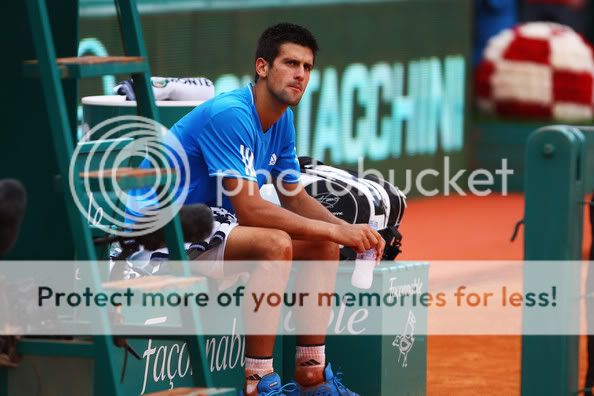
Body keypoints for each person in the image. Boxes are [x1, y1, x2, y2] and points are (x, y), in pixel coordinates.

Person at [133, 23, 385, 395]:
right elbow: (251, 210)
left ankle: (312, 378)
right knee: (275, 244)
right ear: (263, 67)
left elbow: (293, 196)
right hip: (156, 234)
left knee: (322, 246)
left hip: (207, 229)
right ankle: (259, 383)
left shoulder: (282, 118)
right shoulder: (230, 114)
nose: (300, 74)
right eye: (291, 63)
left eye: (307, 67)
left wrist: (350, 231)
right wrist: (336, 229)